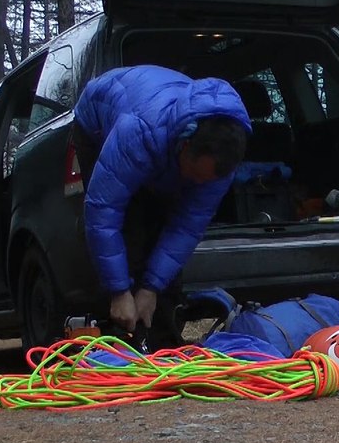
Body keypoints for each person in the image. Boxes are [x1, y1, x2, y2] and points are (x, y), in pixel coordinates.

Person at [72, 65, 250, 343]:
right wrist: (119, 291)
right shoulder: (138, 132)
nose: (197, 183)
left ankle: (162, 338)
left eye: (205, 180)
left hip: (161, 137)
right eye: (194, 173)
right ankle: (118, 336)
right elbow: (103, 212)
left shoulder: (220, 167)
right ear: (185, 144)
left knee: (162, 235)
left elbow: (186, 228)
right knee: (130, 228)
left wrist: (152, 288)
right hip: (99, 118)